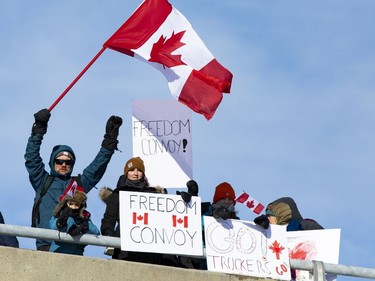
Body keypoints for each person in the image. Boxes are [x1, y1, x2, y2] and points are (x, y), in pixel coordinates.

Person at [25, 108, 122, 251]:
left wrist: (110, 141)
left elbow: (97, 167)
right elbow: (32, 158)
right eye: (59, 161)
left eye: (68, 162)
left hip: (73, 248)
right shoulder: (42, 180)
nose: (64, 164)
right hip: (46, 247)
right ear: (53, 162)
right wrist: (38, 129)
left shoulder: (78, 184)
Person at [100, 156, 172, 265]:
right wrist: (110, 238)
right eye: (132, 170)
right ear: (126, 173)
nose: (135, 173)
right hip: (124, 251)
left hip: (150, 251)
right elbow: (108, 220)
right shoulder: (117, 194)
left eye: (139, 170)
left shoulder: (153, 195)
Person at [49, 184, 99, 255]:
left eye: (76, 205)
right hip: (57, 252)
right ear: (66, 202)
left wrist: (84, 226)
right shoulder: (59, 214)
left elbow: (96, 231)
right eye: (71, 204)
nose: (73, 207)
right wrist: (61, 221)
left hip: (76, 254)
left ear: (81, 206)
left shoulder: (84, 217)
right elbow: (52, 226)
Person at [253, 196, 323, 231]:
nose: (267, 218)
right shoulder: (272, 234)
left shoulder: (307, 225)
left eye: (270, 215)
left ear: (281, 214)